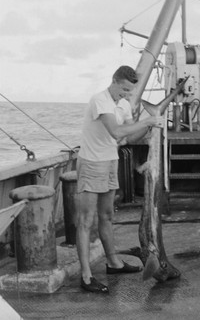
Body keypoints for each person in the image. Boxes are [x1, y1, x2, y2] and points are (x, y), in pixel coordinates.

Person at [76, 65, 163, 293]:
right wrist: (145, 122)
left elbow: (127, 136)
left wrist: (151, 126)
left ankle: (113, 263)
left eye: (129, 91)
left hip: (110, 162)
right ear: (114, 81)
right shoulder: (100, 100)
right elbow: (115, 132)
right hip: (91, 163)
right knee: (86, 220)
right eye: (123, 89)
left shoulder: (123, 104)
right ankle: (85, 276)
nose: (126, 94)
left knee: (107, 215)